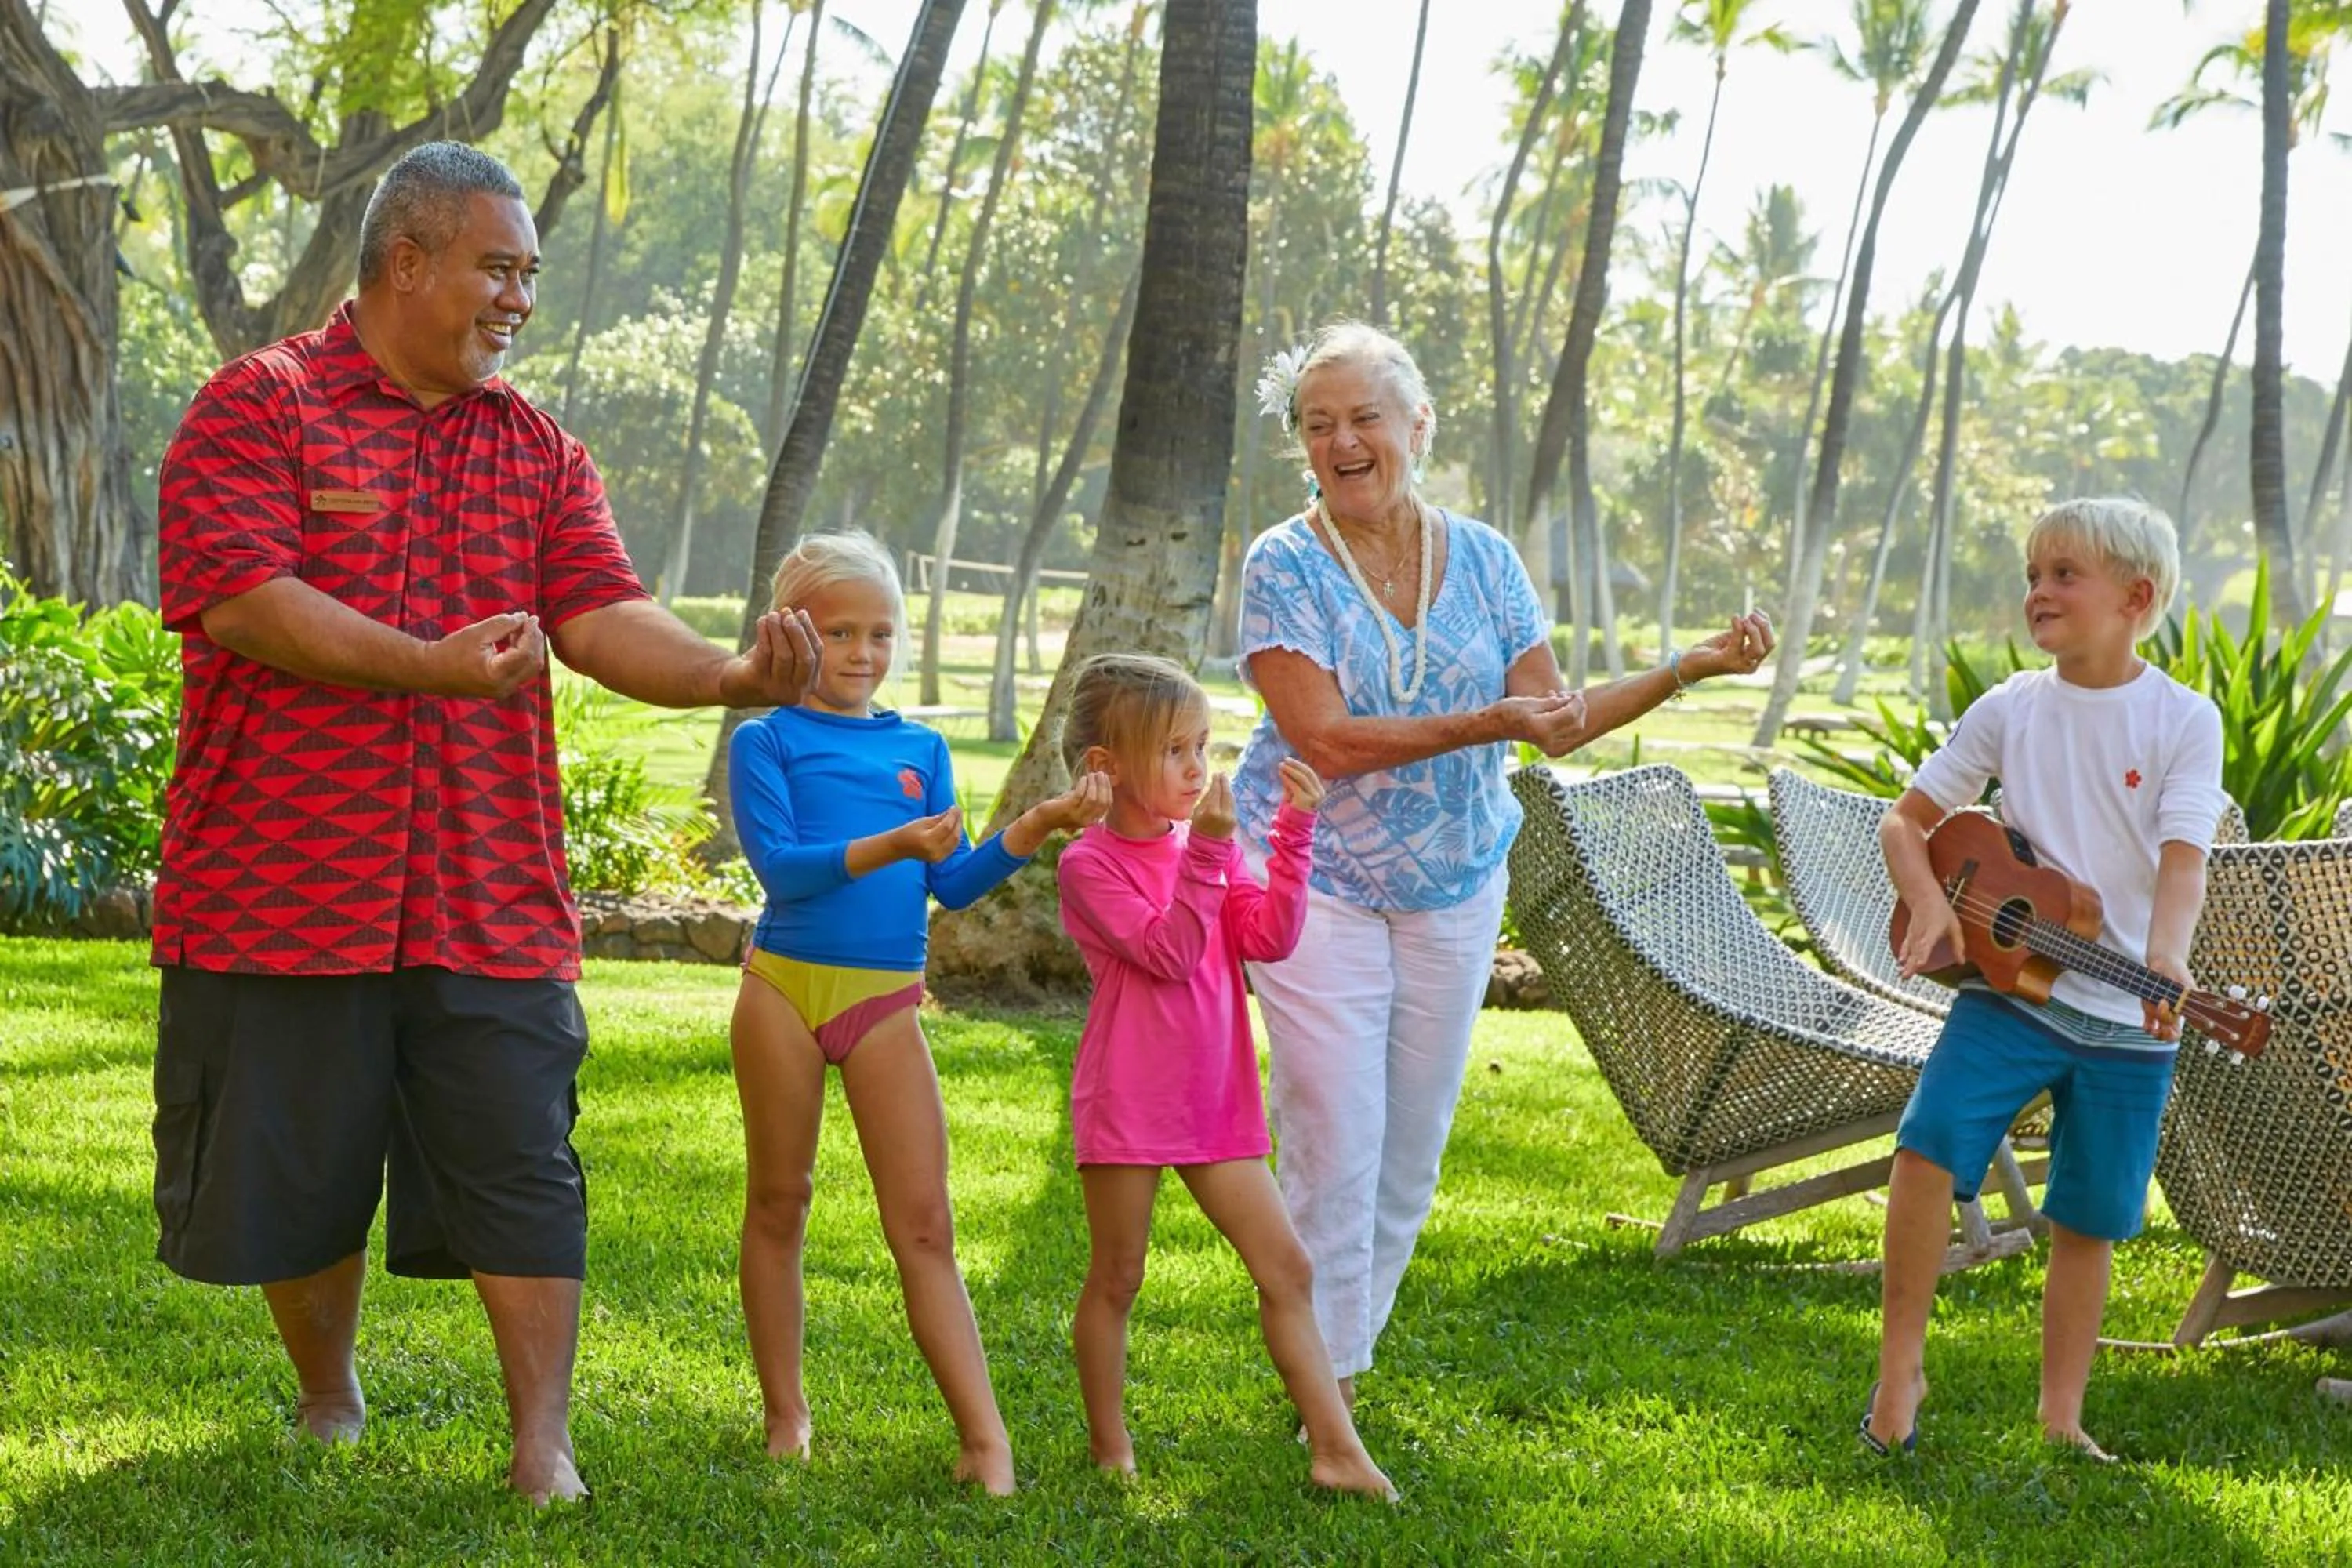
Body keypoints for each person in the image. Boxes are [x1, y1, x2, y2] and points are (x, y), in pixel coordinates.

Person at [149, 141, 823, 1505]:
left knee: (522, 1151)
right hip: (282, 882)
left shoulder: (535, 449)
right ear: (410, 262)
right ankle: (328, 1396)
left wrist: (727, 678)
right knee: (303, 1161)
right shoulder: (258, 407)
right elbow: (242, 600)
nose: (519, 298)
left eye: (530, 274)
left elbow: (598, 611)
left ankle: (543, 1444)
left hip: (484, 882)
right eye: (497, 269)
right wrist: (430, 663)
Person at [1235, 321, 1776, 1400]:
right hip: (1311, 877)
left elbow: (1558, 723)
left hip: (1457, 880)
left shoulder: (1484, 559)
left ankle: (1345, 1359)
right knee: (1334, 1134)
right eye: (1317, 424)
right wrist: (1492, 721)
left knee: (1408, 1152)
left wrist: (1688, 668)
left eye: (1363, 419)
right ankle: (1323, 1394)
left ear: (1417, 426)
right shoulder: (1282, 563)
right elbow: (1328, 740)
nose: (1341, 441)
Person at [726, 531, 1109, 1494]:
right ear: (793, 634)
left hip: (885, 1000)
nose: (861, 651)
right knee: (780, 1200)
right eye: (839, 631)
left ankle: (986, 1439)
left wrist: (1037, 825)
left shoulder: (921, 748)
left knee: (925, 1223)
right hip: (781, 988)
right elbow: (782, 870)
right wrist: (892, 839)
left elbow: (957, 880)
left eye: (880, 632)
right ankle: (786, 1413)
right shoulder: (763, 739)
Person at [1867, 497, 2227, 1461]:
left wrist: (2168, 955)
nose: (2039, 591)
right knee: (1929, 1145)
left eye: (2064, 574)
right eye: (2034, 574)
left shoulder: (2183, 721)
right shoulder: (2011, 708)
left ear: (2136, 596)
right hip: (2008, 993)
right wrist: (1936, 909)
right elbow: (1906, 821)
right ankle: (1899, 1365)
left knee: (2088, 1215)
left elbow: (2184, 856)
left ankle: (2061, 1414)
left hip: (2128, 1013)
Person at [1054, 652, 1393, 1499]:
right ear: (1107, 765)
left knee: (1288, 1268)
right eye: (1174, 750)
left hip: (1215, 1101)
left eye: (1202, 746)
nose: (1197, 768)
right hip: (1130, 1099)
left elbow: (1267, 936)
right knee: (1118, 1275)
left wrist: (1293, 834)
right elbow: (1167, 952)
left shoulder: (1204, 847)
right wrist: (1209, 851)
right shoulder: (1087, 866)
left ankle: (1335, 1447)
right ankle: (1109, 1443)